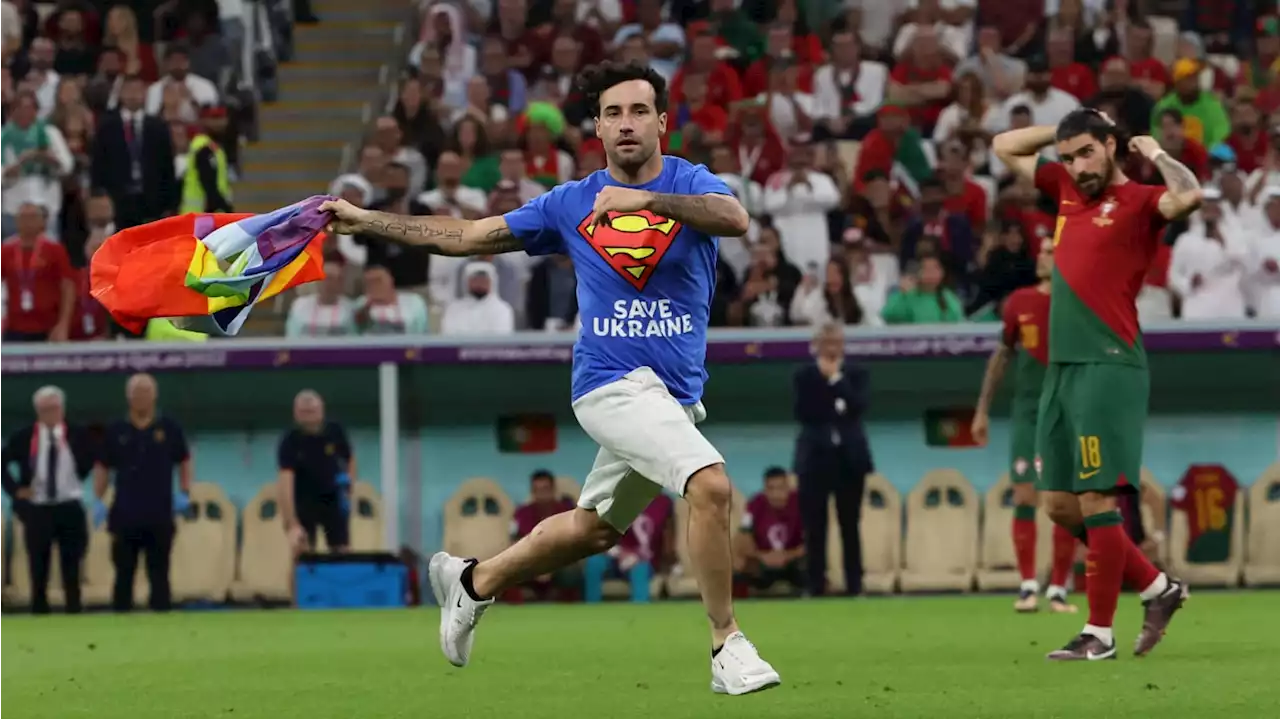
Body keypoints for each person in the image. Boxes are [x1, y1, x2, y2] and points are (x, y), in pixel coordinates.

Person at [321, 60, 779, 695]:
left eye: (639, 111)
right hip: (612, 385)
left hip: (674, 398)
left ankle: (472, 583)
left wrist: (648, 201)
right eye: (613, 113)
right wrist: (368, 220)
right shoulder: (570, 203)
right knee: (711, 485)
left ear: (662, 123)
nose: (626, 124)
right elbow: (466, 236)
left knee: (592, 529)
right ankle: (726, 643)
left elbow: (735, 220)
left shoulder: (691, 184)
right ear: (596, 126)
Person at [991, 108, 1201, 661]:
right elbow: (1004, 144)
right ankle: (1158, 587)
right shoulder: (1063, 187)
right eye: (1067, 156)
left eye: (1086, 151)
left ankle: (1098, 635)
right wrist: (1060, 125)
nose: (1076, 166)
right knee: (1061, 506)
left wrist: (1153, 152)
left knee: (1095, 496)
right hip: (1061, 371)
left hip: (1109, 366)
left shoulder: (1139, 201)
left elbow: (1190, 196)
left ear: (1112, 146)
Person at [971, 240, 1079, 614]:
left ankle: (1059, 590)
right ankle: (1028, 586)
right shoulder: (1019, 301)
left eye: (1052, 250)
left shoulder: (1078, 300)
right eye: (1043, 250)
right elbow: (1002, 355)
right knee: (1024, 495)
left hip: (1066, 412)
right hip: (1028, 412)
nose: (1043, 255)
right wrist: (982, 410)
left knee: (1064, 501)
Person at [93, 373, 193, 612]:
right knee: (123, 575)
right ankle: (121, 622)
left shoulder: (169, 427)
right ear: (128, 397)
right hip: (124, 516)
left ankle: (161, 625)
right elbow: (102, 466)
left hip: (160, 515)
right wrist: (98, 499)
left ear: (155, 396)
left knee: (159, 575)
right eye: (136, 393)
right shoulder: (116, 429)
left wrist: (185, 492)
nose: (141, 397)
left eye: (146, 392)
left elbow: (185, 460)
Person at [791, 322, 872, 596]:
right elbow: (806, 412)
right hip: (814, 461)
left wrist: (836, 381)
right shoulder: (804, 376)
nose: (831, 349)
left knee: (850, 524)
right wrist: (834, 397)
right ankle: (815, 585)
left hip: (850, 461)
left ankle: (855, 585)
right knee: (815, 527)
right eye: (826, 344)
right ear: (816, 346)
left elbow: (859, 406)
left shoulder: (857, 373)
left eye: (836, 343)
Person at [0, 386, 95, 614]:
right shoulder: (24, 437)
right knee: (38, 566)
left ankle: (74, 610)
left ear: (62, 408)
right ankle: (39, 611)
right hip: (38, 508)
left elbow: (91, 460)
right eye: (44, 410)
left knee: (72, 564)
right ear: (37, 411)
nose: (49, 414)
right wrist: (15, 490)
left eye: (53, 408)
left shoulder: (78, 434)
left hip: (69, 505)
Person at [277, 390, 355, 558]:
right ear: (295, 414)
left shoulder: (335, 431)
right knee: (301, 555)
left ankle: (339, 584)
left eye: (312, 411)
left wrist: (349, 488)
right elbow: (285, 482)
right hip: (303, 502)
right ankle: (299, 584)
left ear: (321, 410)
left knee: (342, 554)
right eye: (303, 413)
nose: (308, 417)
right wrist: (291, 522)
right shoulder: (289, 440)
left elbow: (350, 459)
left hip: (332, 500)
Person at [735, 467, 805, 594]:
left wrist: (787, 555)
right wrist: (762, 556)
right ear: (765, 490)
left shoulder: (802, 503)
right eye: (771, 489)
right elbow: (743, 536)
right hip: (764, 562)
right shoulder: (755, 504)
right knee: (739, 571)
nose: (776, 494)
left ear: (788, 487)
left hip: (792, 561)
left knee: (812, 569)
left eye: (781, 488)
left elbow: (813, 540)